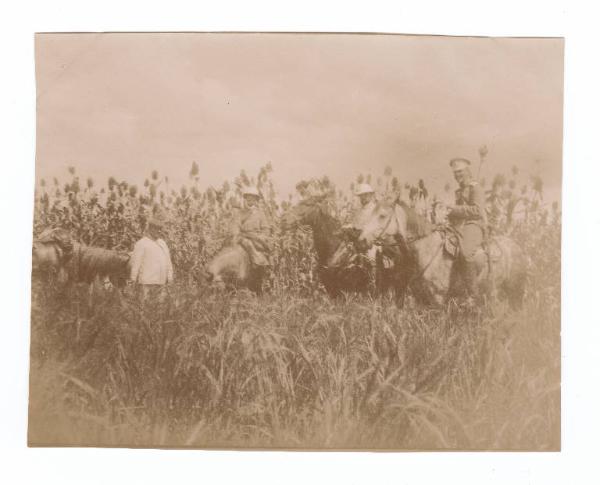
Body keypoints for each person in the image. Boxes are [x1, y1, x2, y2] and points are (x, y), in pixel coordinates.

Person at [447, 157, 488, 302]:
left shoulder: (475, 187)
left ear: (467, 171)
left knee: (466, 252)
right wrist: (447, 214)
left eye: (460, 172)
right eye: (455, 173)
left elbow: (477, 210)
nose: (457, 175)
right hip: (460, 226)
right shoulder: (459, 191)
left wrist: (455, 209)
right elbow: (458, 213)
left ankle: (473, 295)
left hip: (474, 225)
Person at [129, 215, 174, 300]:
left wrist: (170, 277)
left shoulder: (162, 243)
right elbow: (136, 264)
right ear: (150, 229)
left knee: (159, 307)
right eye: (157, 229)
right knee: (146, 307)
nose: (160, 232)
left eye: (161, 229)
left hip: (161, 283)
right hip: (147, 283)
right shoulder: (142, 243)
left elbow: (168, 262)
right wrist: (133, 280)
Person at [231, 186, 273, 271]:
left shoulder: (260, 214)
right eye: (248, 199)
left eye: (252, 200)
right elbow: (235, 225)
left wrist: (262, 236)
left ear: (256, 201)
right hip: (243, 236)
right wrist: (236, 234)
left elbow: (266, 228)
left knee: (265, 249)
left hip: (257, 237)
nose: (250, 202)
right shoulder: (240, 213)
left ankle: (260, 262)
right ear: (245, 200)